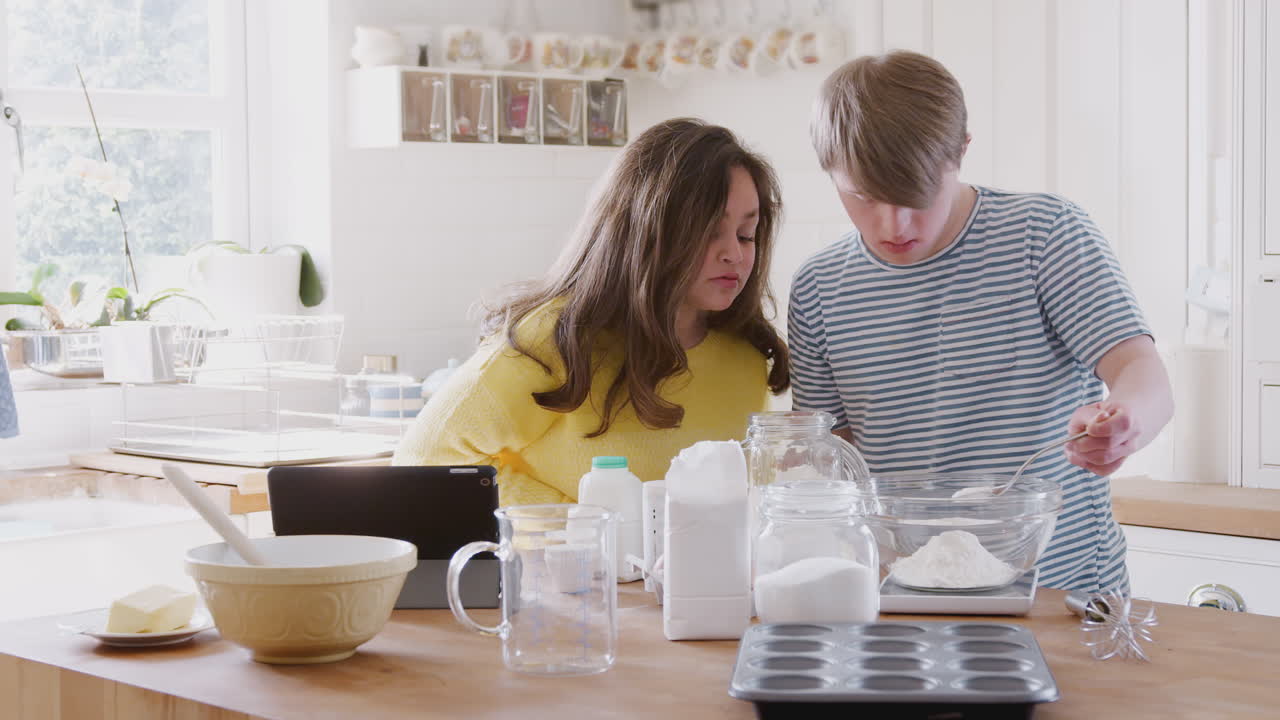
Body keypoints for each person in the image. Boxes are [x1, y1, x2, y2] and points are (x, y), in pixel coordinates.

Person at [791, 51, 1174, 593]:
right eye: (862, 196)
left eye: (913, 196)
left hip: (1062, 595)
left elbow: (1142, 370)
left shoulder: (1045, 237)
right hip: (902, 593)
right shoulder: (819, 287)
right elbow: (832, 457)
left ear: (961, 151)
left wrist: (1125, 420)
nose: (892, 224)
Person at [395, 118, 790, 505]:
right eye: (708, 233)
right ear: (645, 231)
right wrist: (576, 522)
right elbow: (419, 464)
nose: (735, 254)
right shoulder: (553, 339)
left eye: (746, 235)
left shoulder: (746, 356)